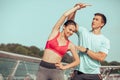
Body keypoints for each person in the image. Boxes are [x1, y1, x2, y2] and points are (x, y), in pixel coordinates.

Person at [36, 4, 81, 80]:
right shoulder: (54, 33)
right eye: (70, 29)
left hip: (56, 71)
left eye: (73, 31)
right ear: (64, 27)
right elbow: (64, 15)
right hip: (42, 69)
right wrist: (77, 8)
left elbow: (77, 61)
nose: (71, 32)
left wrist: (64, 67)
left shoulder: (70, 45)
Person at [68, 3, 110, 80]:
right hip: (78, 73)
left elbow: (101, 57)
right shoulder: (83, 32)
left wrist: (86, 50)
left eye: (96, 19)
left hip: (94, 75)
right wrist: (75, 9)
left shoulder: (105, 40)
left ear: (102, 24)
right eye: (93, 19)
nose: (93, 21)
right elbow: (70, 23)